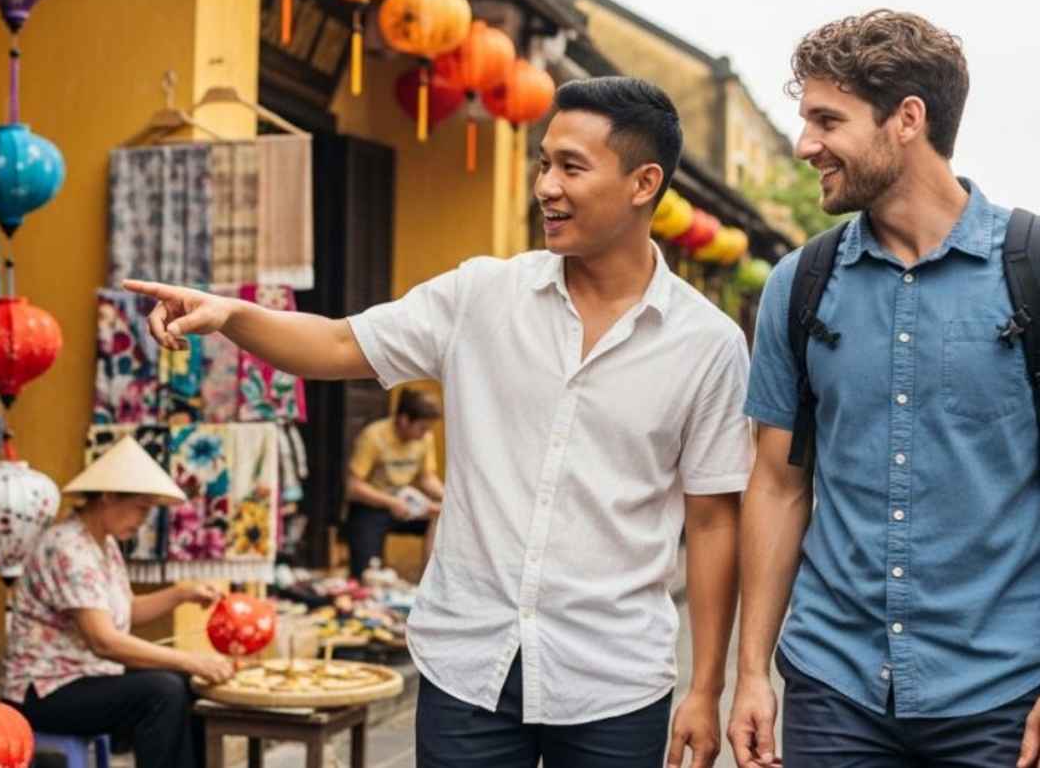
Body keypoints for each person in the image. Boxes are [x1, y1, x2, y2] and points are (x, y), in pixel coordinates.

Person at [127, 75, 752, 768]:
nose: (547, 185)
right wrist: (233, 316)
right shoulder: (482, 294)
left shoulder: (708, 344)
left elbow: (713, 520)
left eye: (572, 167)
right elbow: (338, 343)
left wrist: (708, 685)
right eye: (545, 162)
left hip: (615, 675)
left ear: (643, 183)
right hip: (468, 663)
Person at [728, 11, 1040, 768]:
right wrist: (749, 674)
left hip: (1000, 693)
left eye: (827, 121)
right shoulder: (798, 286)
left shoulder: (1029, 270)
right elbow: (776, 484)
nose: (806, 146)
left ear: (907, 120)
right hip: (834, 688)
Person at [3, 437, 235, 768]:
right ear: (109, 496)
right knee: (163, 691)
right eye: (141, 508)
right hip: (43, 691)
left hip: (86, 679)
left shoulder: (104, 544)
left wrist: (182, 593)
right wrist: (191, 659)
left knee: (189, 686)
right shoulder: (68, 547)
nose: (144, 520)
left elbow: (128, 612)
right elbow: (105, 641)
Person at [342, 388, 445, 579]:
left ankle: (429, 580)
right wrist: (391, 503)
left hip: (406, 502)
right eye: (422, 428)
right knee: (366, 575)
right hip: (372, 507)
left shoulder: (425, 439)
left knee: (442, 516)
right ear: (404, 420)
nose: (425, 434)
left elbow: (427, 478)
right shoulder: (374, 435)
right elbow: (353, 487)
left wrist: (449, 499)